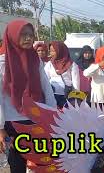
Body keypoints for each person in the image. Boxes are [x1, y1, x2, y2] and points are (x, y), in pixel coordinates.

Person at [0, 20, 56, 173]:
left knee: (41, 162)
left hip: (35, 119)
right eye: (23, 34)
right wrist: (0, 128)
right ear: (12, 36)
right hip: (12, 123)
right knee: (17, 164)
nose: (28, 38)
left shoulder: (34, 59)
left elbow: (46, 87)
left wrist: (52, 115)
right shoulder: (2, 62)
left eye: (30, 35)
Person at [44, 41, 80, 108]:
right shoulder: (49, 64)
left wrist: (75, 99)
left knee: (67, 116)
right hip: (52, 96)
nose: (51, 53)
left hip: (67, 96)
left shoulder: (71, 65)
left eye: (53, 51)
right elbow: (45, 80)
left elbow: (76, 83)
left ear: (60, 51)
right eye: (50, 51)